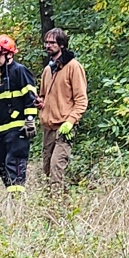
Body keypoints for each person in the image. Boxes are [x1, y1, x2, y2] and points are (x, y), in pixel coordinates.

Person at [36, 27, 88, 190]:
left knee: (56, 169)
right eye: (46, 42)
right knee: (46, 170)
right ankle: (52, 206)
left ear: (62, 45)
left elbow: (81, 99)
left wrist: (71, 122)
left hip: (64, 127)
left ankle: (56, 211)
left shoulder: (73, 67)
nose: (48, 45)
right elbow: (44, 96)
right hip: (48, 128)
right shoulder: (47, 70)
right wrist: (40, 103)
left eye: (52, 42)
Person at [0, 35, 38, 194]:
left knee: (14, 166)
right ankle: (12, 202)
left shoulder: (20, 71)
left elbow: (30, 98)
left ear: (9, 54)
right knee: (3, 168)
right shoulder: (1, 78)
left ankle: (18, 205)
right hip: (4, 133)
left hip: (18, 131)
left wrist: (30, 120)